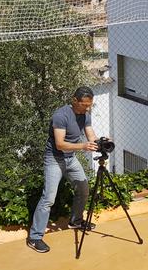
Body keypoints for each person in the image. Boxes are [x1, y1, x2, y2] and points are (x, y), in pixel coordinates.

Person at [27, 86, 100, 253]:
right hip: (55, 159)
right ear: (74, 100)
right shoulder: (61, 116)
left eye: (90, 105)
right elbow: (60, 144)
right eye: (84, 105)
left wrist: (101, 141)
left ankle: (76, 221)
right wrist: (83, 146)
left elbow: (91, 136)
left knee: (83, 188)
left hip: (71, 159)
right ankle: (35, 237)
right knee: (49, 198)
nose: (87, 108)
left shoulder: (85, 115)